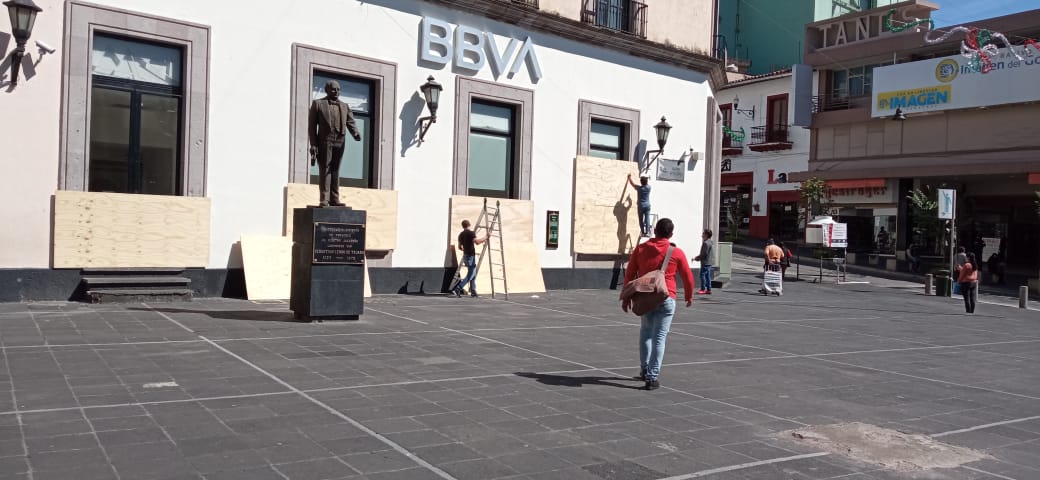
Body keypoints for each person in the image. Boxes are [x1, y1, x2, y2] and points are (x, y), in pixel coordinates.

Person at [622, 218, 694, 391]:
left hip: (646, 297)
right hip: (666, 296)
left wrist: (626, 297)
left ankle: (644, 369)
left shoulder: (641, 249)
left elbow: (630, 274)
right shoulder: (676, 252)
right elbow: (687, 277)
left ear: (655, 231)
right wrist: (689, 296)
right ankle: (652, 377)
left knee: (645, 333)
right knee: (659, 338)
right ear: (671, 234)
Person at [308, 80, 362, 207]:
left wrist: (355, 133)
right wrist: (314, 144)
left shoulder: (344, 105)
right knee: (325, 169)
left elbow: (350, 121)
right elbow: (311, 127)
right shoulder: (318, 104)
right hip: (325, 141)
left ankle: (334, 198)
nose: (336, 92)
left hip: (340, 140)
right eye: (333, 89)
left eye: (338, 90)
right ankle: (324, 199)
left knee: (336, 170)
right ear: (327, 90)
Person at [452, 220, 490, 298]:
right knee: (471, 274)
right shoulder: (471, 233)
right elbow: (477, 242)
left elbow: (459, 247)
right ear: (469, 224)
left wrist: (465, 249)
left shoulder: (461, 234)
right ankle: (458, 288)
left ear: (463, 226)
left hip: (466, 256)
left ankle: (473, 291)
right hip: (470, 256)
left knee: (473, 273)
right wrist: (486, 237)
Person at [693, 229, 713, 294]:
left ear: (706, 235)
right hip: (709, 262)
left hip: (705, 262)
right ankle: (709, 289)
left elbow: (704, 254)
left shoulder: (706, 243)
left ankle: (703, 289)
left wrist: (697, 258)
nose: (702, 235)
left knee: (703, 275)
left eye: (703, 234)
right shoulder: (710, 242)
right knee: (707, 276)